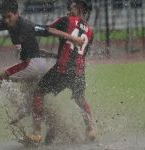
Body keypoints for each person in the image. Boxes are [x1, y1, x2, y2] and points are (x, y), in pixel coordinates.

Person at [0, 0, 82, 124]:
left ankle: (22, 108)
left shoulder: (26, 25)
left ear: (16, 14)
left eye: (9, 17)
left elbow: (50, 30)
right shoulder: (5, 22)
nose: (7, 20)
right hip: (37, 65)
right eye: (4, 17)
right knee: (34, 96)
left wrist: (73, 38)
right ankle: (55, 125)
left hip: (32, 65)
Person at [28, 0, 96, 144]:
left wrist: (28, 27)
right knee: (80, 99)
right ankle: (91, 130)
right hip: (78, 72)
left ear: (78, 7)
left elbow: (44, 30)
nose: (69, 8)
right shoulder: (90, 32)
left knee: (38, 92)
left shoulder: (66, 20)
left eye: (71, 5)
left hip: (61, 69)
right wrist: (51, 55)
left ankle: (36, 132)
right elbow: (79, 54)